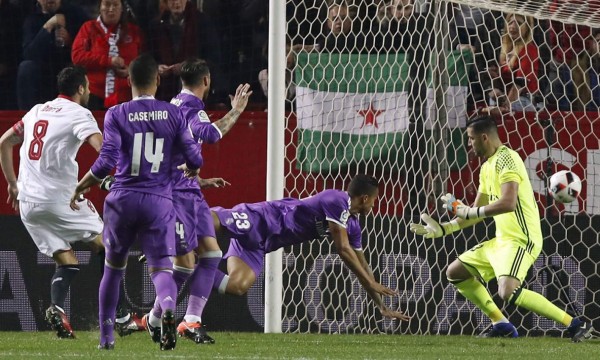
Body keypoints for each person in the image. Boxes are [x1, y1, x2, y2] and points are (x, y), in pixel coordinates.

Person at [409, 115, 593, 341]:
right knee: (455, 272)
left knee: (507, 291)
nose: (468, 144)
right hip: (501, 241)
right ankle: (501, 323)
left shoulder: (508, 159)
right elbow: (476, 211)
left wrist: (467, 211)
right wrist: (445, 229)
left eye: (470, 138)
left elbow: (508, 203)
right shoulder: (486, 168)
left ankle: (574, 324)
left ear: (484, 138)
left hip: (521, 238)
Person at [70, 54, 202, 350]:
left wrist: (81, 185)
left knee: (113, 270)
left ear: (128, 81)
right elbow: (195, 157)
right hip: (158, 202)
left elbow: (106, 162)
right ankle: (167, 310)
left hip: (123, 200)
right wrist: (191, 166)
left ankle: (106, 339)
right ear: (158, 80)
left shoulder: (117, 113)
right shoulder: (173, 114)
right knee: (162, 269)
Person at [143, 58, 251, 344]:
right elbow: (210, 134)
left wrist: (199, 179)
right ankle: (155, 318)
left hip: (189, 190)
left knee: (212, 255)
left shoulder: (172, 104)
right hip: (177, 195)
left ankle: (190, 320)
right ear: (206, 81)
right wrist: (236, 111)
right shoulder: (192, 107)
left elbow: (173, 149)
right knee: (184, 264)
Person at [210, 174, 411, 322]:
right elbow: (342, 249)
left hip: (261, 244)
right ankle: (183, 226)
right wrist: (371, 282)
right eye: (374, 201)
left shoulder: (353, 226)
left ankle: (192, 266)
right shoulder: (337, 200)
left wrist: (382, 306)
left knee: (238, 286)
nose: (374, 206)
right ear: (365, 198)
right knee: (212, 219)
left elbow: (363, 265)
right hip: (263, 218)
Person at [0, 66, 103, 339]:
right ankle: (119, 315)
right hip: (59, 200)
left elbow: (4, 142)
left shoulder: (37, 110)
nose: (90, 91)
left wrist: (12, 184)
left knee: (67, 261)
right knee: (109, 247)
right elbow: (103, 150)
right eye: (88, 86)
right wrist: (100, 179)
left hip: (28, 204)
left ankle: (57, 308)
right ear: (80, 88)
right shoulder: (80, 114)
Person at [145, 0, 226, 102]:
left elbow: (213, 58)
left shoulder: (202, 22)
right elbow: (148, 57)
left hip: (196, 90)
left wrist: (188, 67)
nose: (177, 2)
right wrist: (157, 67)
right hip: (164, 91)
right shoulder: (155, 25)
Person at [71, 0, 143, 110]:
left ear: (122, 8)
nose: (111, 9)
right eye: (107, 4)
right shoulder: (89, 28)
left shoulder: (134, 31)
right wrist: (108, 61)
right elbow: (77, 56)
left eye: (115, 5)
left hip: (127, 98)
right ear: (100, 7)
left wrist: (131, 70)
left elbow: (144, 61)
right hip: (94, 96)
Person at [17, 0, 89, 110]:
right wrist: (47, 27)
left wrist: (70, 41)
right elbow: (29, 54)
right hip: (43, 70)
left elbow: (89, 45)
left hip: (68, 66)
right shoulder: (31, 18)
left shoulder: (76, 13)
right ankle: (28, 119)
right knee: (26, 67)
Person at [486, 14, 539, 112]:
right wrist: (494, 80)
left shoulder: (529, 49)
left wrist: (505, 106)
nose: (513, 26)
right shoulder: (505, 51)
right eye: (510, 22)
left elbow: (520, 83)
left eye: (519, 23)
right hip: (506, 99)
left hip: (521, 101)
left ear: (527, 28)